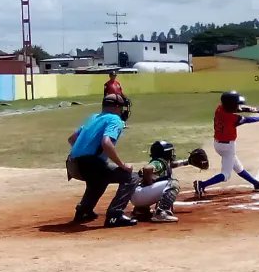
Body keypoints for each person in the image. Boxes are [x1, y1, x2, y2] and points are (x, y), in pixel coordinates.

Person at [66, 94, 139, 226]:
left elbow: (72, 139)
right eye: (121, 107)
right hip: (88, 165)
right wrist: (122, 165)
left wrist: (84, 153)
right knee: (131, 177)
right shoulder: (115, 119)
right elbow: (106, 143)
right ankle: (115, 215)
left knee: (100, 176)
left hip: (72, 165)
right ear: (116, 107)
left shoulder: (93, 117)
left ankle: (84, 211)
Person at [194, 92, 259, 198]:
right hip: (227, 147)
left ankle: (256, 184)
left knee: (238, 167)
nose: (237, 106)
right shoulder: (230, 118)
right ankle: (201, 184)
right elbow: (248, 120)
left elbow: (241, 108)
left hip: (219, 144)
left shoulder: (220, 109)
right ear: (230, 105)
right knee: (226, 175)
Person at [131, 141, 194, 224]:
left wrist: (188, 161)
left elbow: (172, 165)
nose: (172, 154)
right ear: (165, 153)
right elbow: (147, 168)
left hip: (137, 196)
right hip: (141, 195)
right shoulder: (158, 163)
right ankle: (162, 213)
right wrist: (148, 182)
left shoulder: (160, 162)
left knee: (160, 183)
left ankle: (141, 210)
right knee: (173, 184)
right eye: (169, 152)